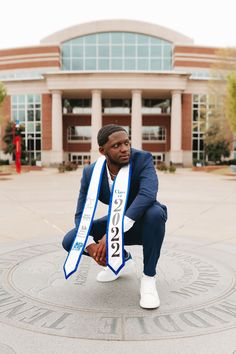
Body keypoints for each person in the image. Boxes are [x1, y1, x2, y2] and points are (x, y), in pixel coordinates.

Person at [62, 124, 167, 309]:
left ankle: (149, 279)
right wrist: (93, 248)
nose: (125, 148)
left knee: (156, 213)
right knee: (71, 240)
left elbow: (147, 195)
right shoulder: (91, 173)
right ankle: (121, 260)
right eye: (117, 146)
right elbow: (81, 214)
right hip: (115, 222)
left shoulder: (142, 159)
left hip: (143, 224)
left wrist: (112, 232)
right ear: (103, 151)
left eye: (126, 142)